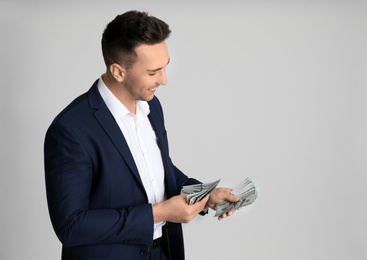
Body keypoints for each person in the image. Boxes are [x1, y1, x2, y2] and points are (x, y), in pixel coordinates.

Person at [44, 10, 239, 260]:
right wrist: (159, 214)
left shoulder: (151, 106)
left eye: (165, 67)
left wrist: (202, 193)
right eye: (152, 72)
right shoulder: (70, 129)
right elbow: (71, 226)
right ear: (118, 72)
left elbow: (158, 171)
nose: (164, 80)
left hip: (164, 253)